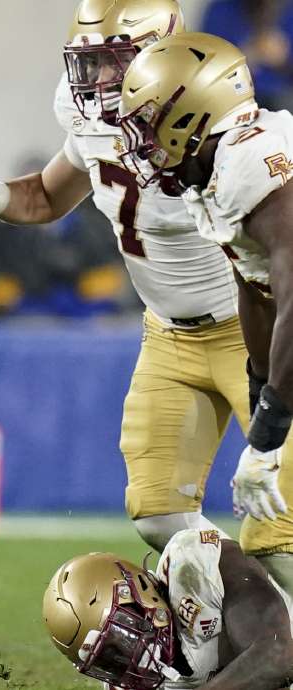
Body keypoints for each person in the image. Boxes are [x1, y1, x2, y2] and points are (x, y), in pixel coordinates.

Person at [0, 0, 246, 553]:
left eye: (112, 62)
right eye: (86, 63)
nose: (95, 82)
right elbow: (47, 196)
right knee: (161, 518)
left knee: (279, 532)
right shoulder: (92, 120)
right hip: (169, 335)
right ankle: (259, 619)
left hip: (253, 326)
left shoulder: (219, 113)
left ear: (157, 52)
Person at [117, 31, 293, 591]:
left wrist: (267, 436)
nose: (140, 142)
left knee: (279, 535)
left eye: (147, 124)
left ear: (189, 118)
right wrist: (261, 380)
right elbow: (256, 285)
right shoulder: (216, 167)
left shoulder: (253, 167)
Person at [42, 530, 293, 688]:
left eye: (122, 632)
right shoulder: (128, 680)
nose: (127, 657)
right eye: (108, 657)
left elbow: (277, 654)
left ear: (138, 590)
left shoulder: (192, 565)